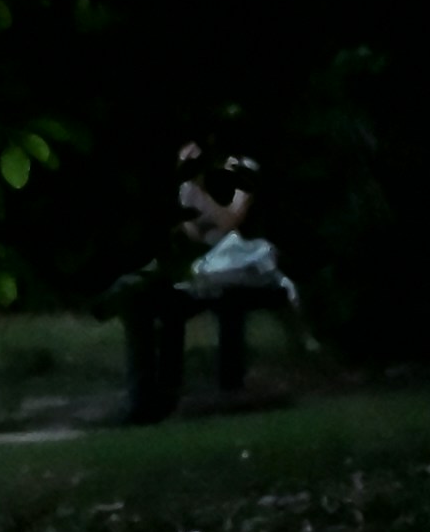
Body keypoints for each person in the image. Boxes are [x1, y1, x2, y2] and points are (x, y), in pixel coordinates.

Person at [118, 143, 303, 422]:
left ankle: (228, 385)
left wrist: (203, 191)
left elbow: (230, 220)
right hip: (207, 267)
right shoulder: (187, 190)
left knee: (229, 302)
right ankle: (170, 389)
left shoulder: (237, 173)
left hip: (247, 260)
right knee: (172, 311)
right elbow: (192, 232)